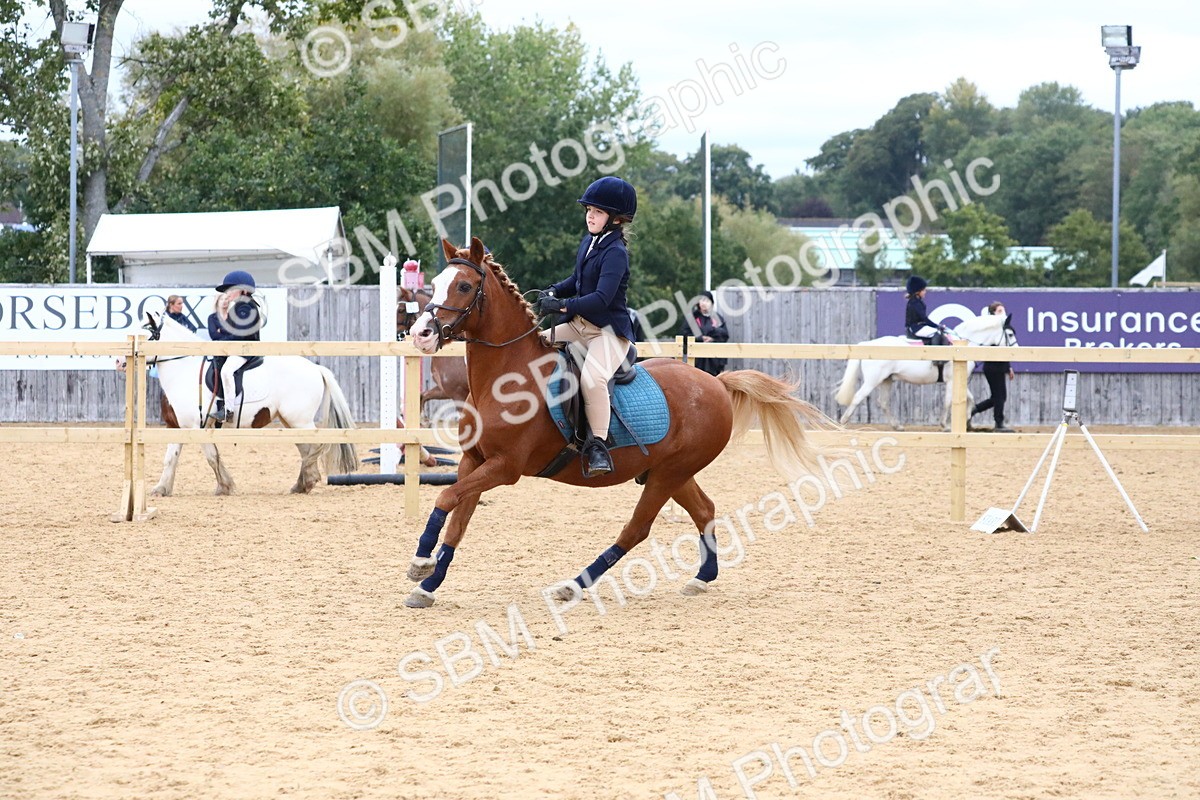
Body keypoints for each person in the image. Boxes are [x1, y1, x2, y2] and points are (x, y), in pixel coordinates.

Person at [535, 176, 638, 479]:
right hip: (579, 326)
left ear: (615, 219)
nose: (590, 216)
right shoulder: (589, 242)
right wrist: (554, 292)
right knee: (533, 343)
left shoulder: (616, 252)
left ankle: (599, 446)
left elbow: (601, 298)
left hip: (608, 333)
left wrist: (564, 307)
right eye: (589, 210)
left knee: (593, 379)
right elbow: (577, 282)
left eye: (597, 212)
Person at [206, 270, 264, 423]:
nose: (228, 293)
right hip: (239, 347)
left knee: (226, 371)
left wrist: (223, 340)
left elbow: (241, 333)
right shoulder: (239, 306)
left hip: (245, 349)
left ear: (244, 290)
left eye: (231, 289)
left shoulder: (244, 306)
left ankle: (228, 411)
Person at [971, 301, 1016, 432]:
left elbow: (1006, 349)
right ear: (993, 314)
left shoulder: (1003, 329)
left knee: (998, 397)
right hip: (992, 367)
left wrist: (1009, 367)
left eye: (1003, 310)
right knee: (999, 397)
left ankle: (972, 411)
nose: (1003, 313)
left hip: (1000, 366)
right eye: (1000, 311)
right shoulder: (991, 331)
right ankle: (999, 423)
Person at [680, 290, 729, 376]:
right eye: (702, 300)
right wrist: (700, 338)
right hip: (697, 360)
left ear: (711, 303)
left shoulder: (717, 318)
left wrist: (712, 339)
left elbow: (725, 335)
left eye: (706, 300)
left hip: (714, 360)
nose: (704, 303)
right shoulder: (692, 318)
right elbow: (684, 334)